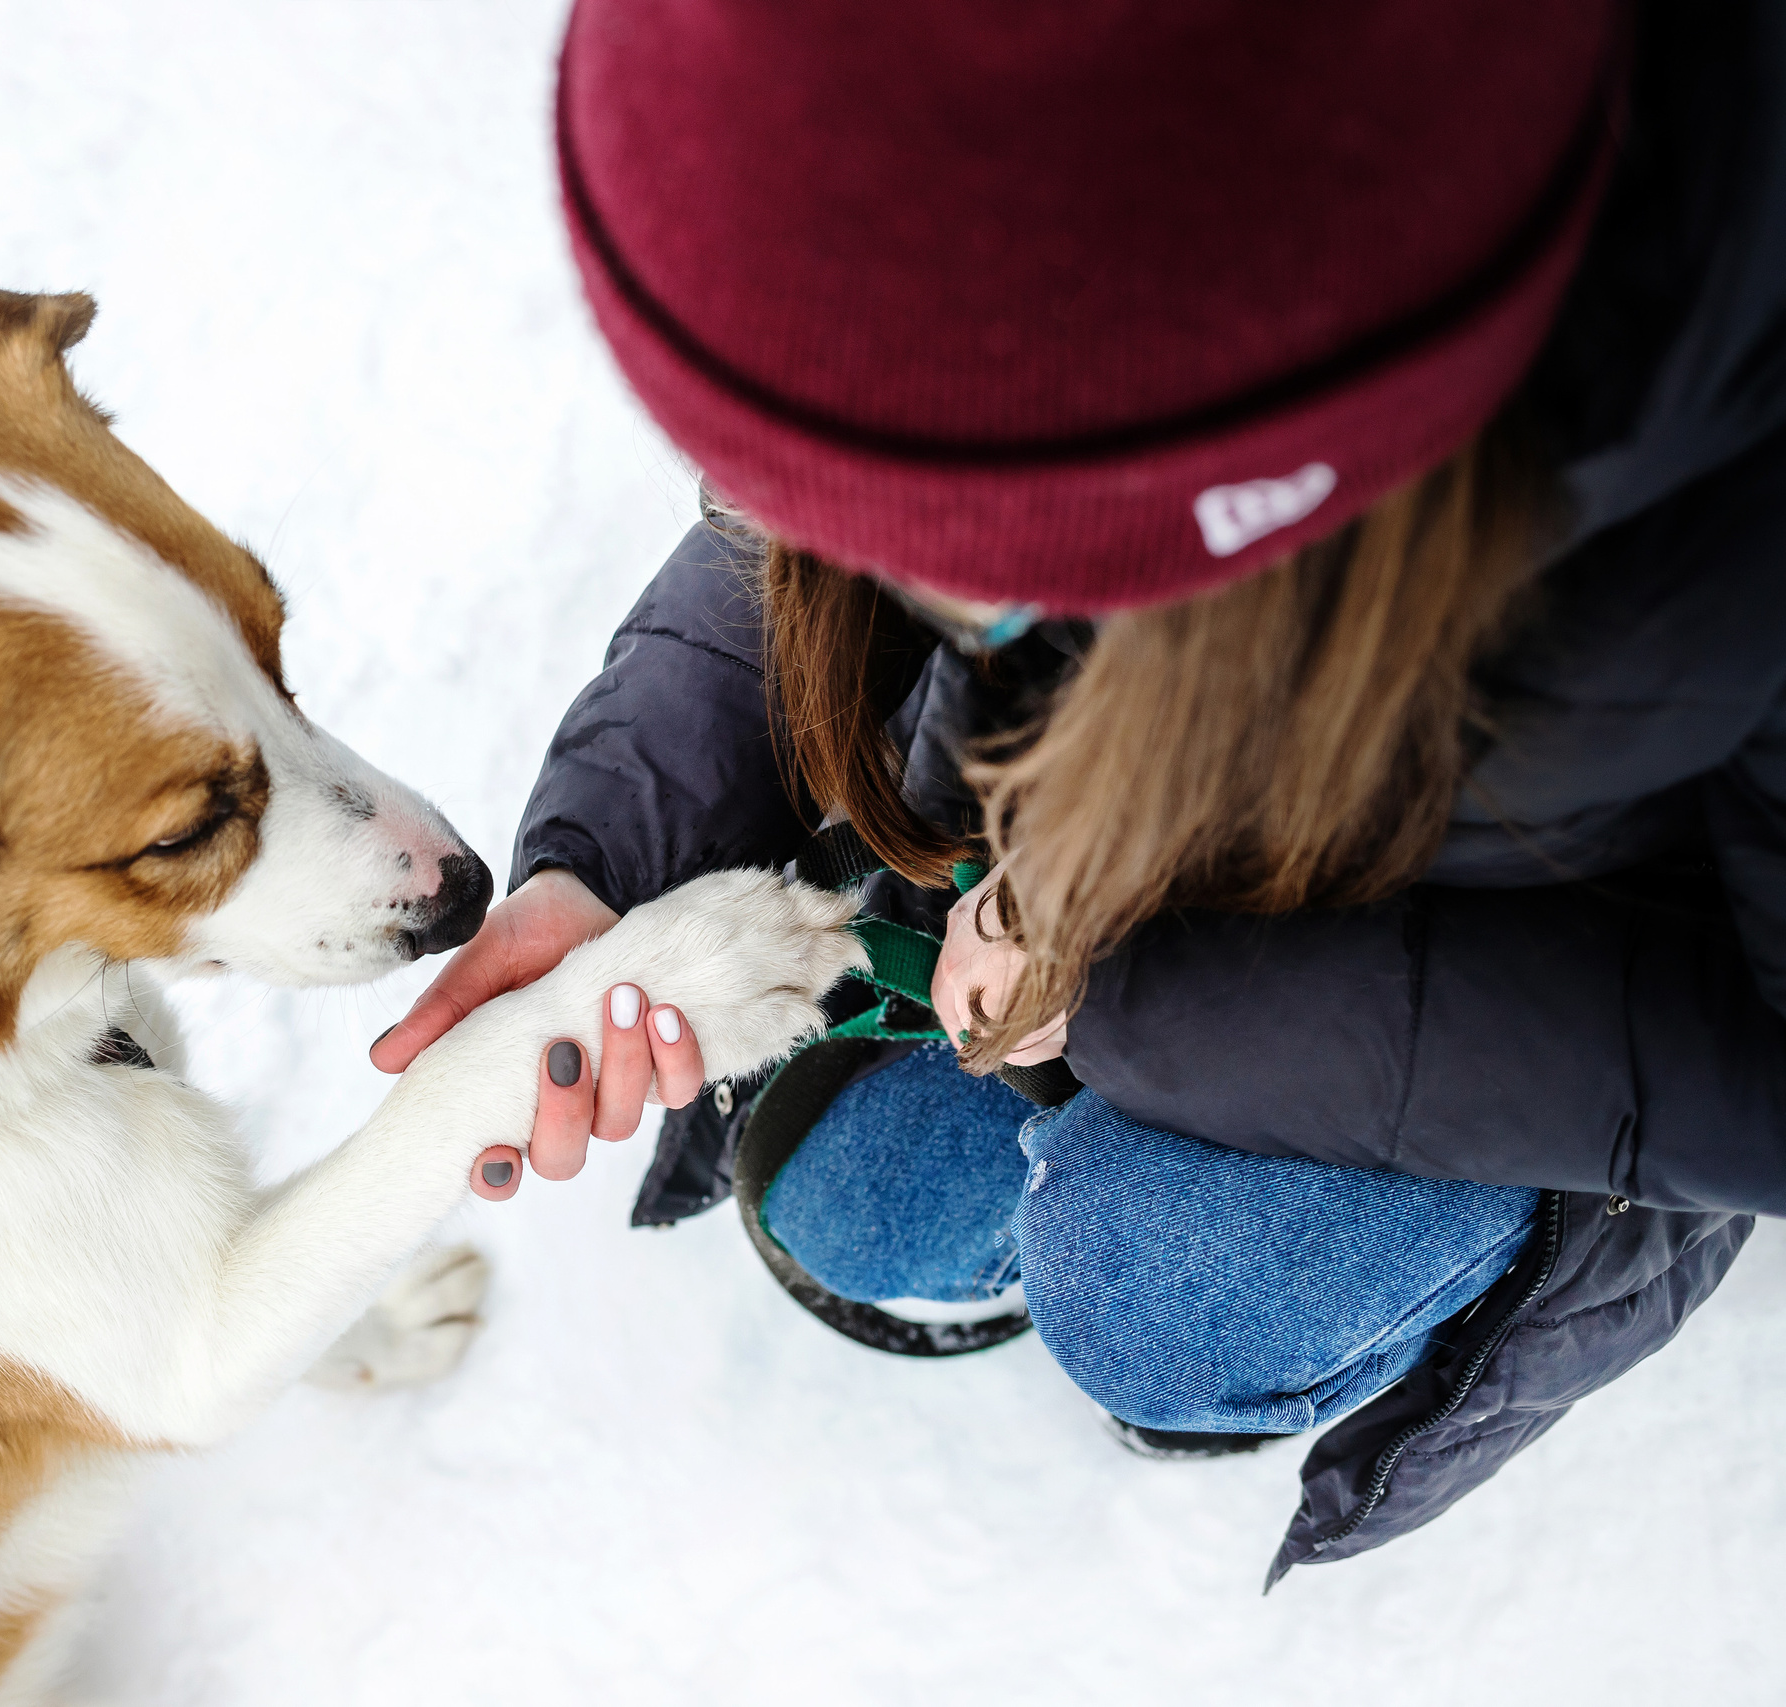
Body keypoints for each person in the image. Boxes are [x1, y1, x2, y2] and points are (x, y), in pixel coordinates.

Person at [373, 0, 1786, 1581]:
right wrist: (609, 860)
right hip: (1094, 869)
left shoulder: (1707, 463)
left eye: (958, 571)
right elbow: (827, 509)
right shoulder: (997, 241)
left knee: (1162, 1297)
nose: (859, 567)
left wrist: (1131, 994)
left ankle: (1394, 1282)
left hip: (1550, 960)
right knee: (857, 1202)